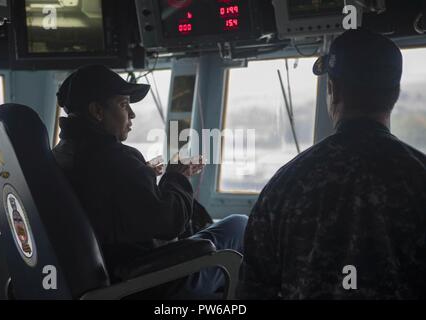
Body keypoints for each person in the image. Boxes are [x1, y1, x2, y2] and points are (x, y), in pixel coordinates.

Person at [239, 29, 426, 299]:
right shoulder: (419, 177)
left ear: (332, 89)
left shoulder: (284, 186)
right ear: (394, 94)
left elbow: (252, 291)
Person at [52, 65, 248, 298]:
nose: (132, 114)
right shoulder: (116, 158)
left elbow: (108, 202)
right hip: (149, 283)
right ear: (97, 111)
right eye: (124, 105)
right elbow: (169, 223)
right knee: (239, 224)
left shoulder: (61, 155)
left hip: (107, 273)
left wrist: (144, 175)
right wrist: (177, 175)